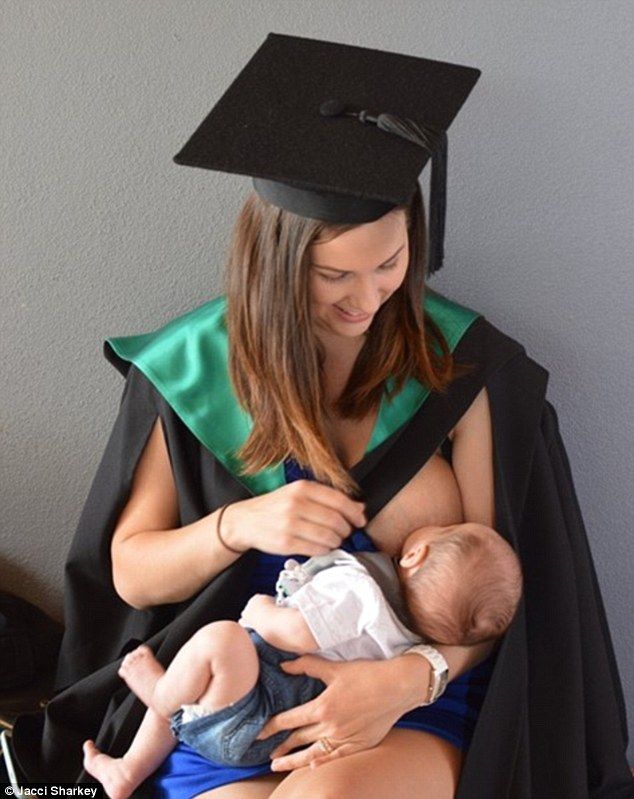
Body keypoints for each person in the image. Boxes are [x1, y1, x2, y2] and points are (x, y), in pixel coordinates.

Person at [10, 33, 632, 799]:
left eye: (390, 264)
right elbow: (132, 573)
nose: (366, 300)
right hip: (232, 694)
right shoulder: (193, 365)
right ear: (275, 260)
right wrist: (239, 525)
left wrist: (410, 677)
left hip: (409, 703)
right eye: (333, 274)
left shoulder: (463, 369)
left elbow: (498, 598)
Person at [82, 521, 522, 798]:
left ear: (415, 553)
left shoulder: (363, 594)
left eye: (443, 528)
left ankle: (158, 702)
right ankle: (132, 761)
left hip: (255, 707)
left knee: (222, 640)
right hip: (286, 734)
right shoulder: (408, 639)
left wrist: (258, 611)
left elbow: (291, 632)